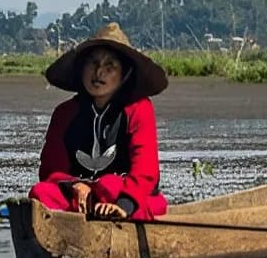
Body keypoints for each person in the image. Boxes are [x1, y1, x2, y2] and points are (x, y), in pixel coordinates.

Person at [29, 22, 168, 220]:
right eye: (93, 63)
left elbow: (146, 171)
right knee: (41, 193)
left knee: (108, 186)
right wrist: (75, 186)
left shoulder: (139, 109)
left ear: (124, 74)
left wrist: (124, 205)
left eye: (109, 66)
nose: (98, 73)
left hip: (128, 198)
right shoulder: (64, 114)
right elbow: (51, 170)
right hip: (79, 199)